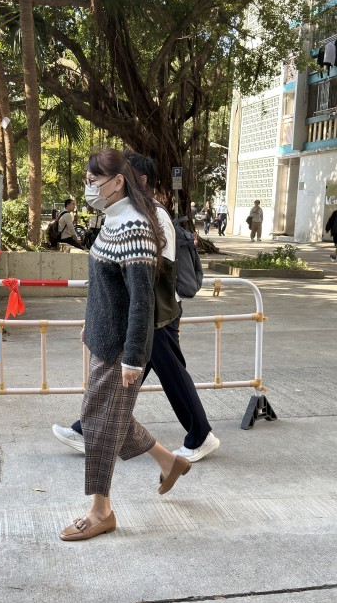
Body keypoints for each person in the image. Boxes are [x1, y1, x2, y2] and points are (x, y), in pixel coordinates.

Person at [58, 148, 192, 542]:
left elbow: (141, 300)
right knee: (108, 417)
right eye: (87, 180)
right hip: (104, 338)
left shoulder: (134, 226)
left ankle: (101, 511)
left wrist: (134, 358)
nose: (89, 188)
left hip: (121, 348)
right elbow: (104, 288)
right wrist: (90, 324)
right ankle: (170, 462)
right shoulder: (112, 219)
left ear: (118, 181)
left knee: (97, 422)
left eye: (95, 181)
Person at [52, 153, 220, 464]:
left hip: (154, 314)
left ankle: (200, 435)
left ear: (137, 180)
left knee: (166, 375)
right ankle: (87, 430)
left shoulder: (152, 216)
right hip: (144, 313)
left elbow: (153, 273)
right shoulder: (133, 213)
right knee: (132, 378)